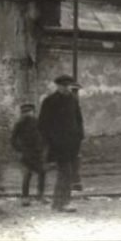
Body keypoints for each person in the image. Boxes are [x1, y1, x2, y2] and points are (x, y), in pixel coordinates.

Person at [38, 75, 85, 212]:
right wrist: (51, 142)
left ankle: (58, 203)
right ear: (57, 86)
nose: (66, 88)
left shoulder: (72, 100)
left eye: (68, 86)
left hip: (72, 144)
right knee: (66, 172)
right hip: (58, 145)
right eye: (63, 86)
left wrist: (79, 136)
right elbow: (43, 125)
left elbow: (78, 119)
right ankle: (63, 202)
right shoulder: (50, 101)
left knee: (67, 173)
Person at [10, 103, 47, 207]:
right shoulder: (19, 124)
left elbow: (44, 136)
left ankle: (40, 195)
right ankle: (25, 197)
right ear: (22, 114)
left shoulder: (38, 122)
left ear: (33, 112)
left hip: (37, 153)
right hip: (25, 154)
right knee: (27, 175)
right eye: (25, 112)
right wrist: (19, 150)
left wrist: (43, 148)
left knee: (42, 172)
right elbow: (13, 140)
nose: (27, 114)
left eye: (29, 112)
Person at [69, 82, 84, 191]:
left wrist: (81, 134)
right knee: (71, 158)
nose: (76, 94)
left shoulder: (76, 105)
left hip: (76, 136)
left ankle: (76, 181)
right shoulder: (68, 104)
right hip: (68, 136)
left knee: (76, 158)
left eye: (77, 92)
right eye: (74, 92)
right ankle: (73, 182)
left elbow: (79, 121)